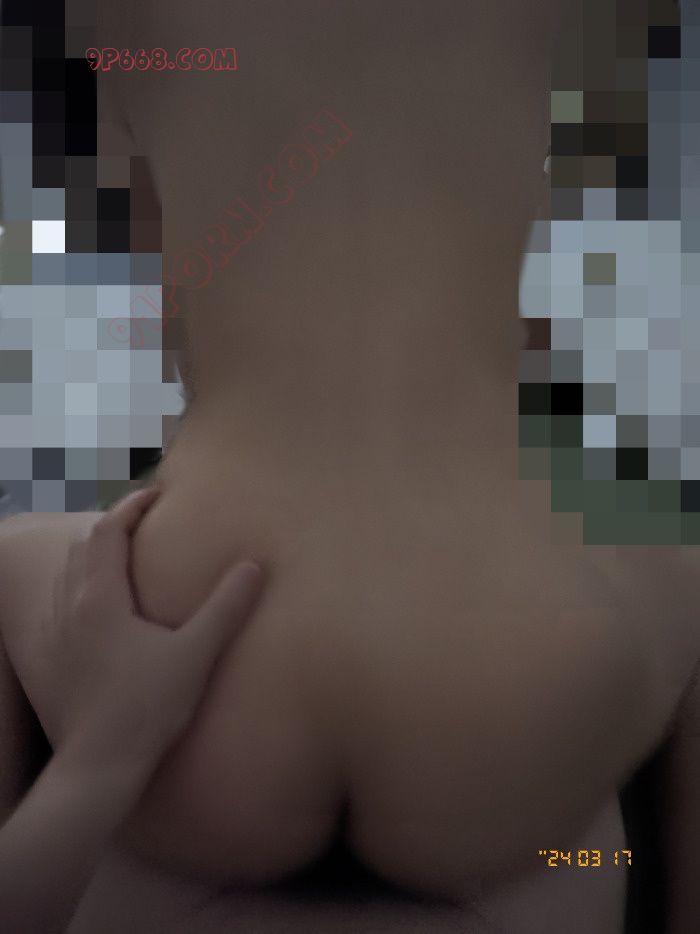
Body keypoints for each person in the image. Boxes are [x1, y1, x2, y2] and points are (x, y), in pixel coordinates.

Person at [1, 0, 698, 931]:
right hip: (508, 646)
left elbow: (153, 252)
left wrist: (100, 757)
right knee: (666, 615)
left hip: (190, 621)